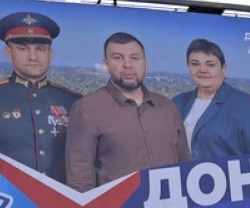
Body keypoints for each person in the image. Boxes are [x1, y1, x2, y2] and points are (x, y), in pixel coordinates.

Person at [0, 11, 81, 183]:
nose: (33, 56)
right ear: (9, 53)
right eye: (23, 49)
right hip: (7, 200)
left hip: (62, 202)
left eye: (40, 49)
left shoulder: (73, 101)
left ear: (50, 54)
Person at [65, 32, 191, 192]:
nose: (128, 65)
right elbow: (79, 181)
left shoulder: (167, 108)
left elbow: (185, 166)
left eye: (134, 58)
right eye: (118, 58)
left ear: (145, 64)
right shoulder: (87, 108)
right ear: (106, 64)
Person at [172, 38, 250, 160]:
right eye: (195, 64)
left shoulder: (247, 105)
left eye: (210, 64)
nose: (202, 70)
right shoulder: (177, 103)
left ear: (223, 69)